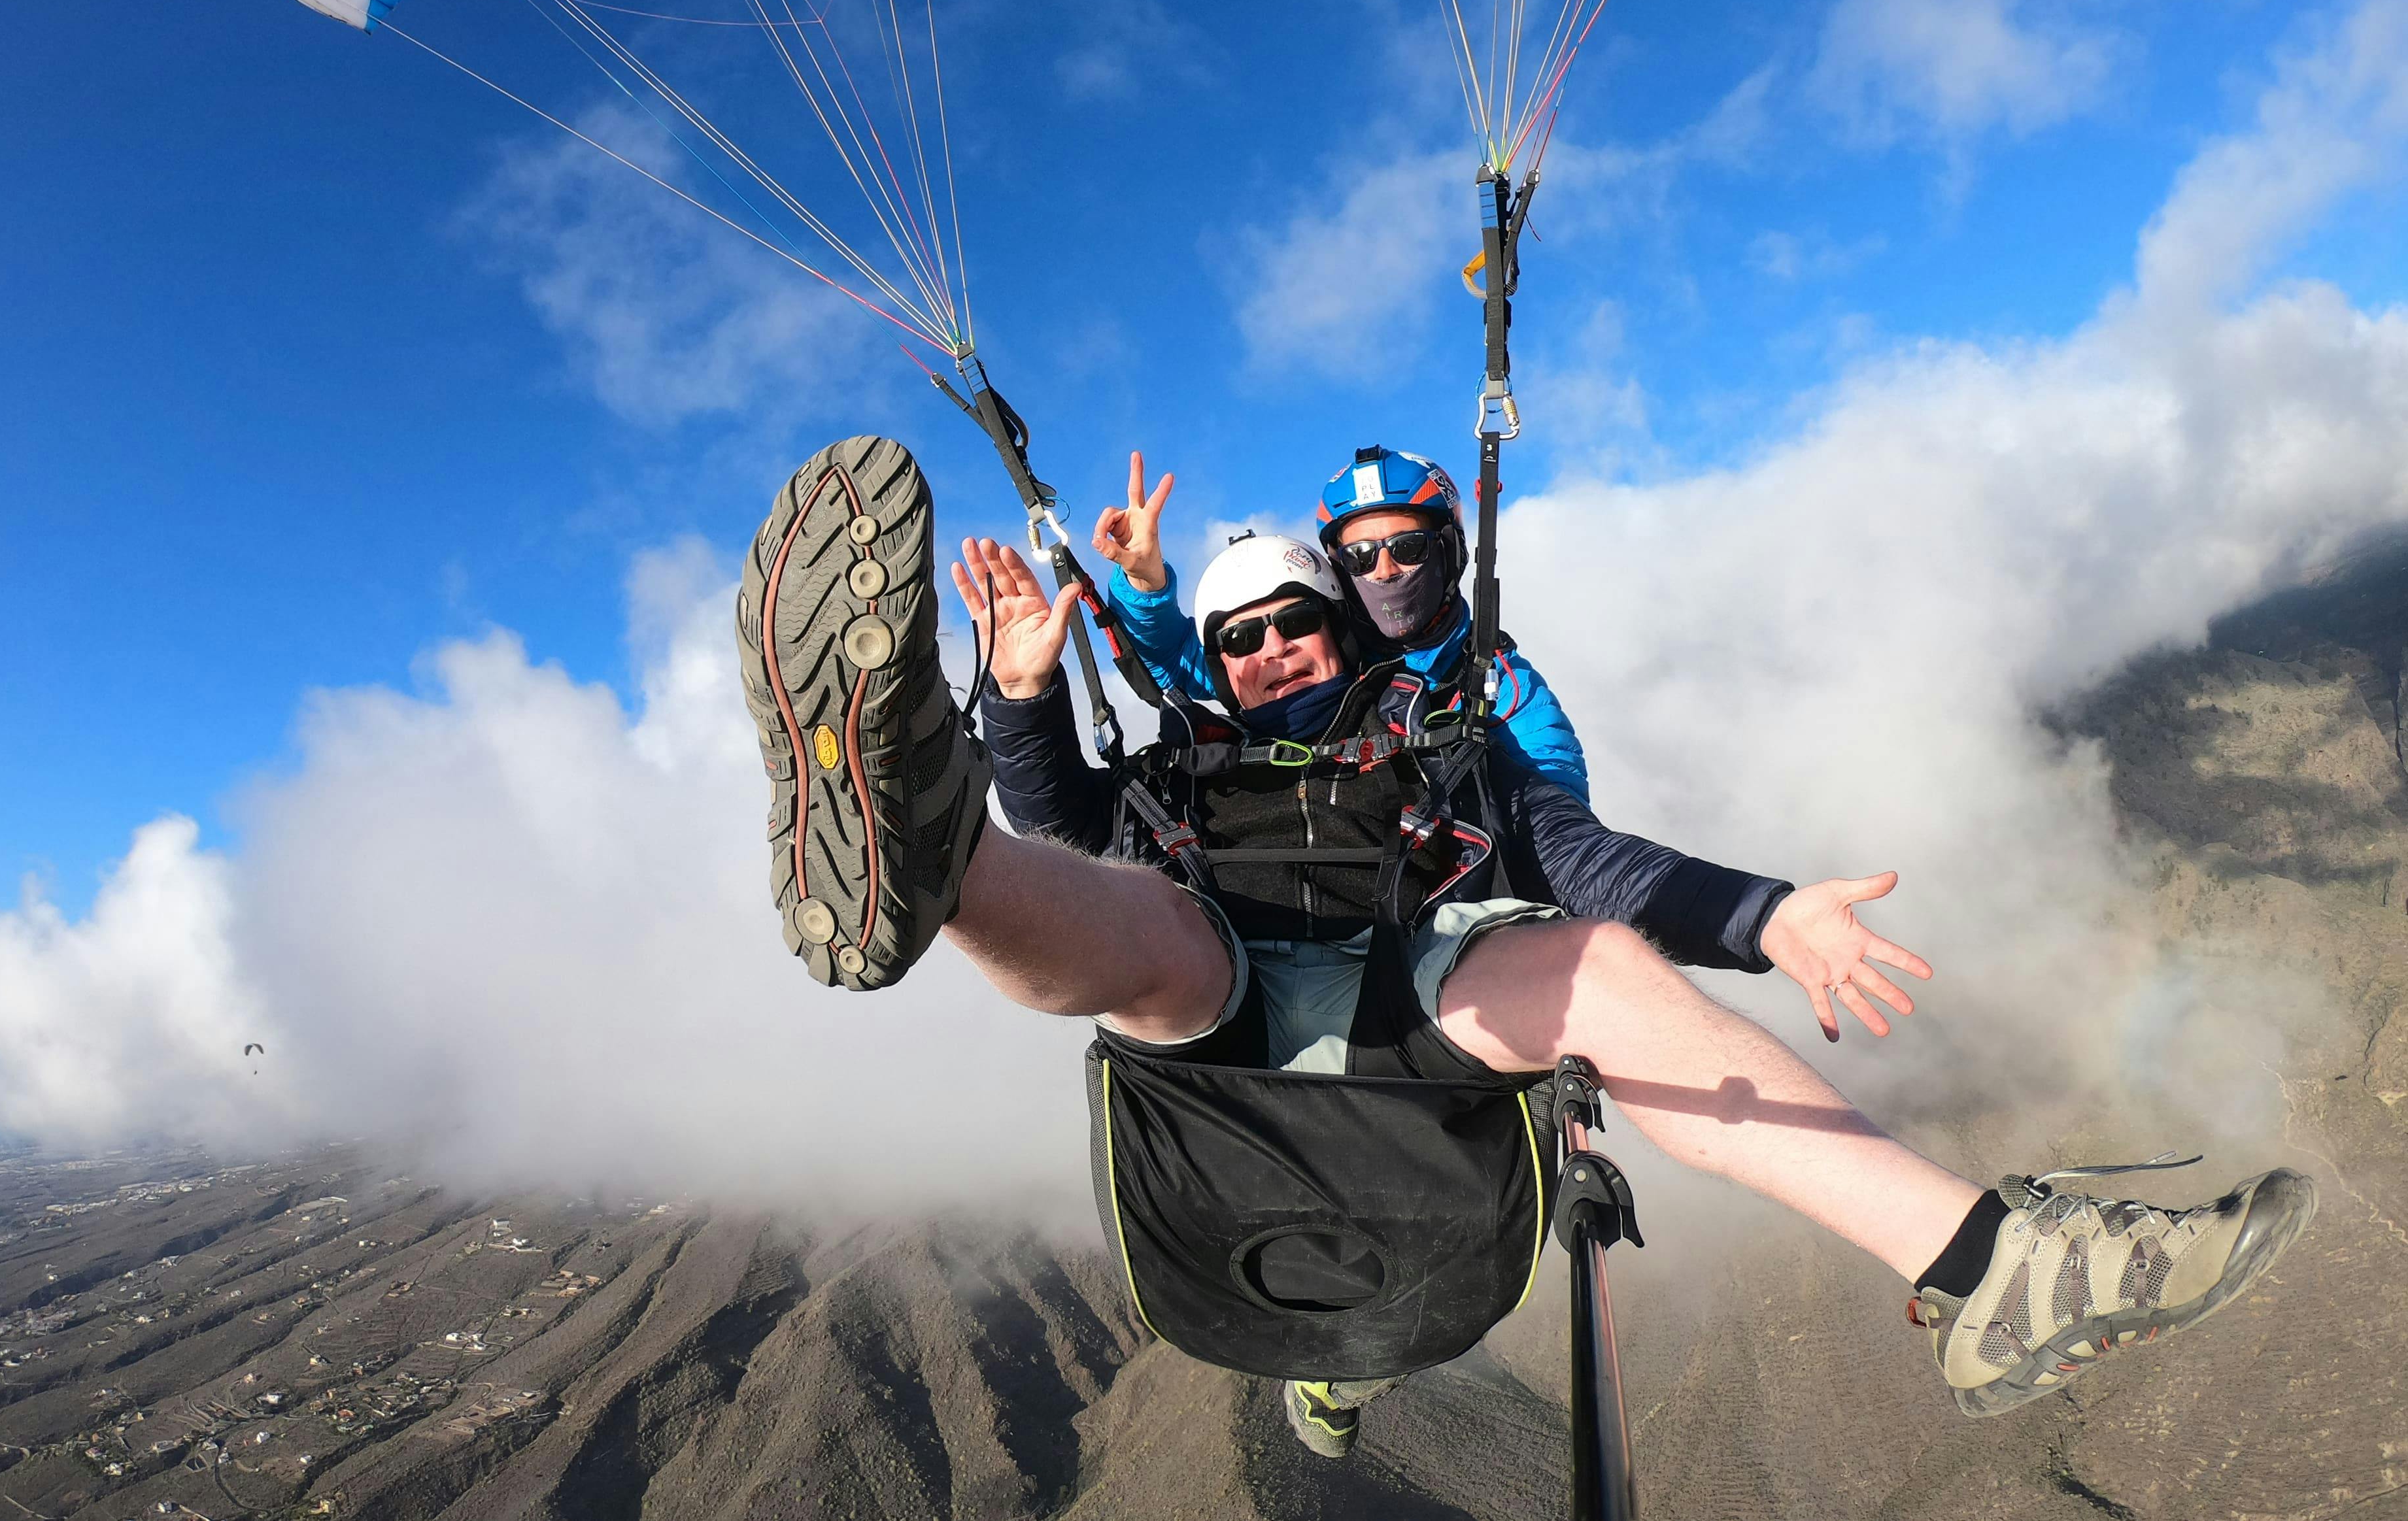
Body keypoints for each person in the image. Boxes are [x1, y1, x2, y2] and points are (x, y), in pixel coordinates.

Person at [736, 434, 2316, 1456]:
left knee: (1586, 961)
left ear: (1348, 636)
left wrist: (1766, 916)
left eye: (1297, 623)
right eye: (1237, 640)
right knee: (1129, 924)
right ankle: (914, 845)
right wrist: (1017, 686)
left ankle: (1988, 1270)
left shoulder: (1450, 747)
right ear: (1207, 668)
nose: (1271, 649)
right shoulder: (1171, 774)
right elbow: (1070, 809)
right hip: (1211, 998)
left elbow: (1591, 859)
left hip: (1423, 989)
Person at [1092, 446, 1593, 801]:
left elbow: (1554, 806)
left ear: (1448, 550)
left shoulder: (1498, 683)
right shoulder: (1316, 644)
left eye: (1407, 547)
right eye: (1359, 556)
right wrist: (1144, 581)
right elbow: (1178, 663)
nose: (1385, 569)